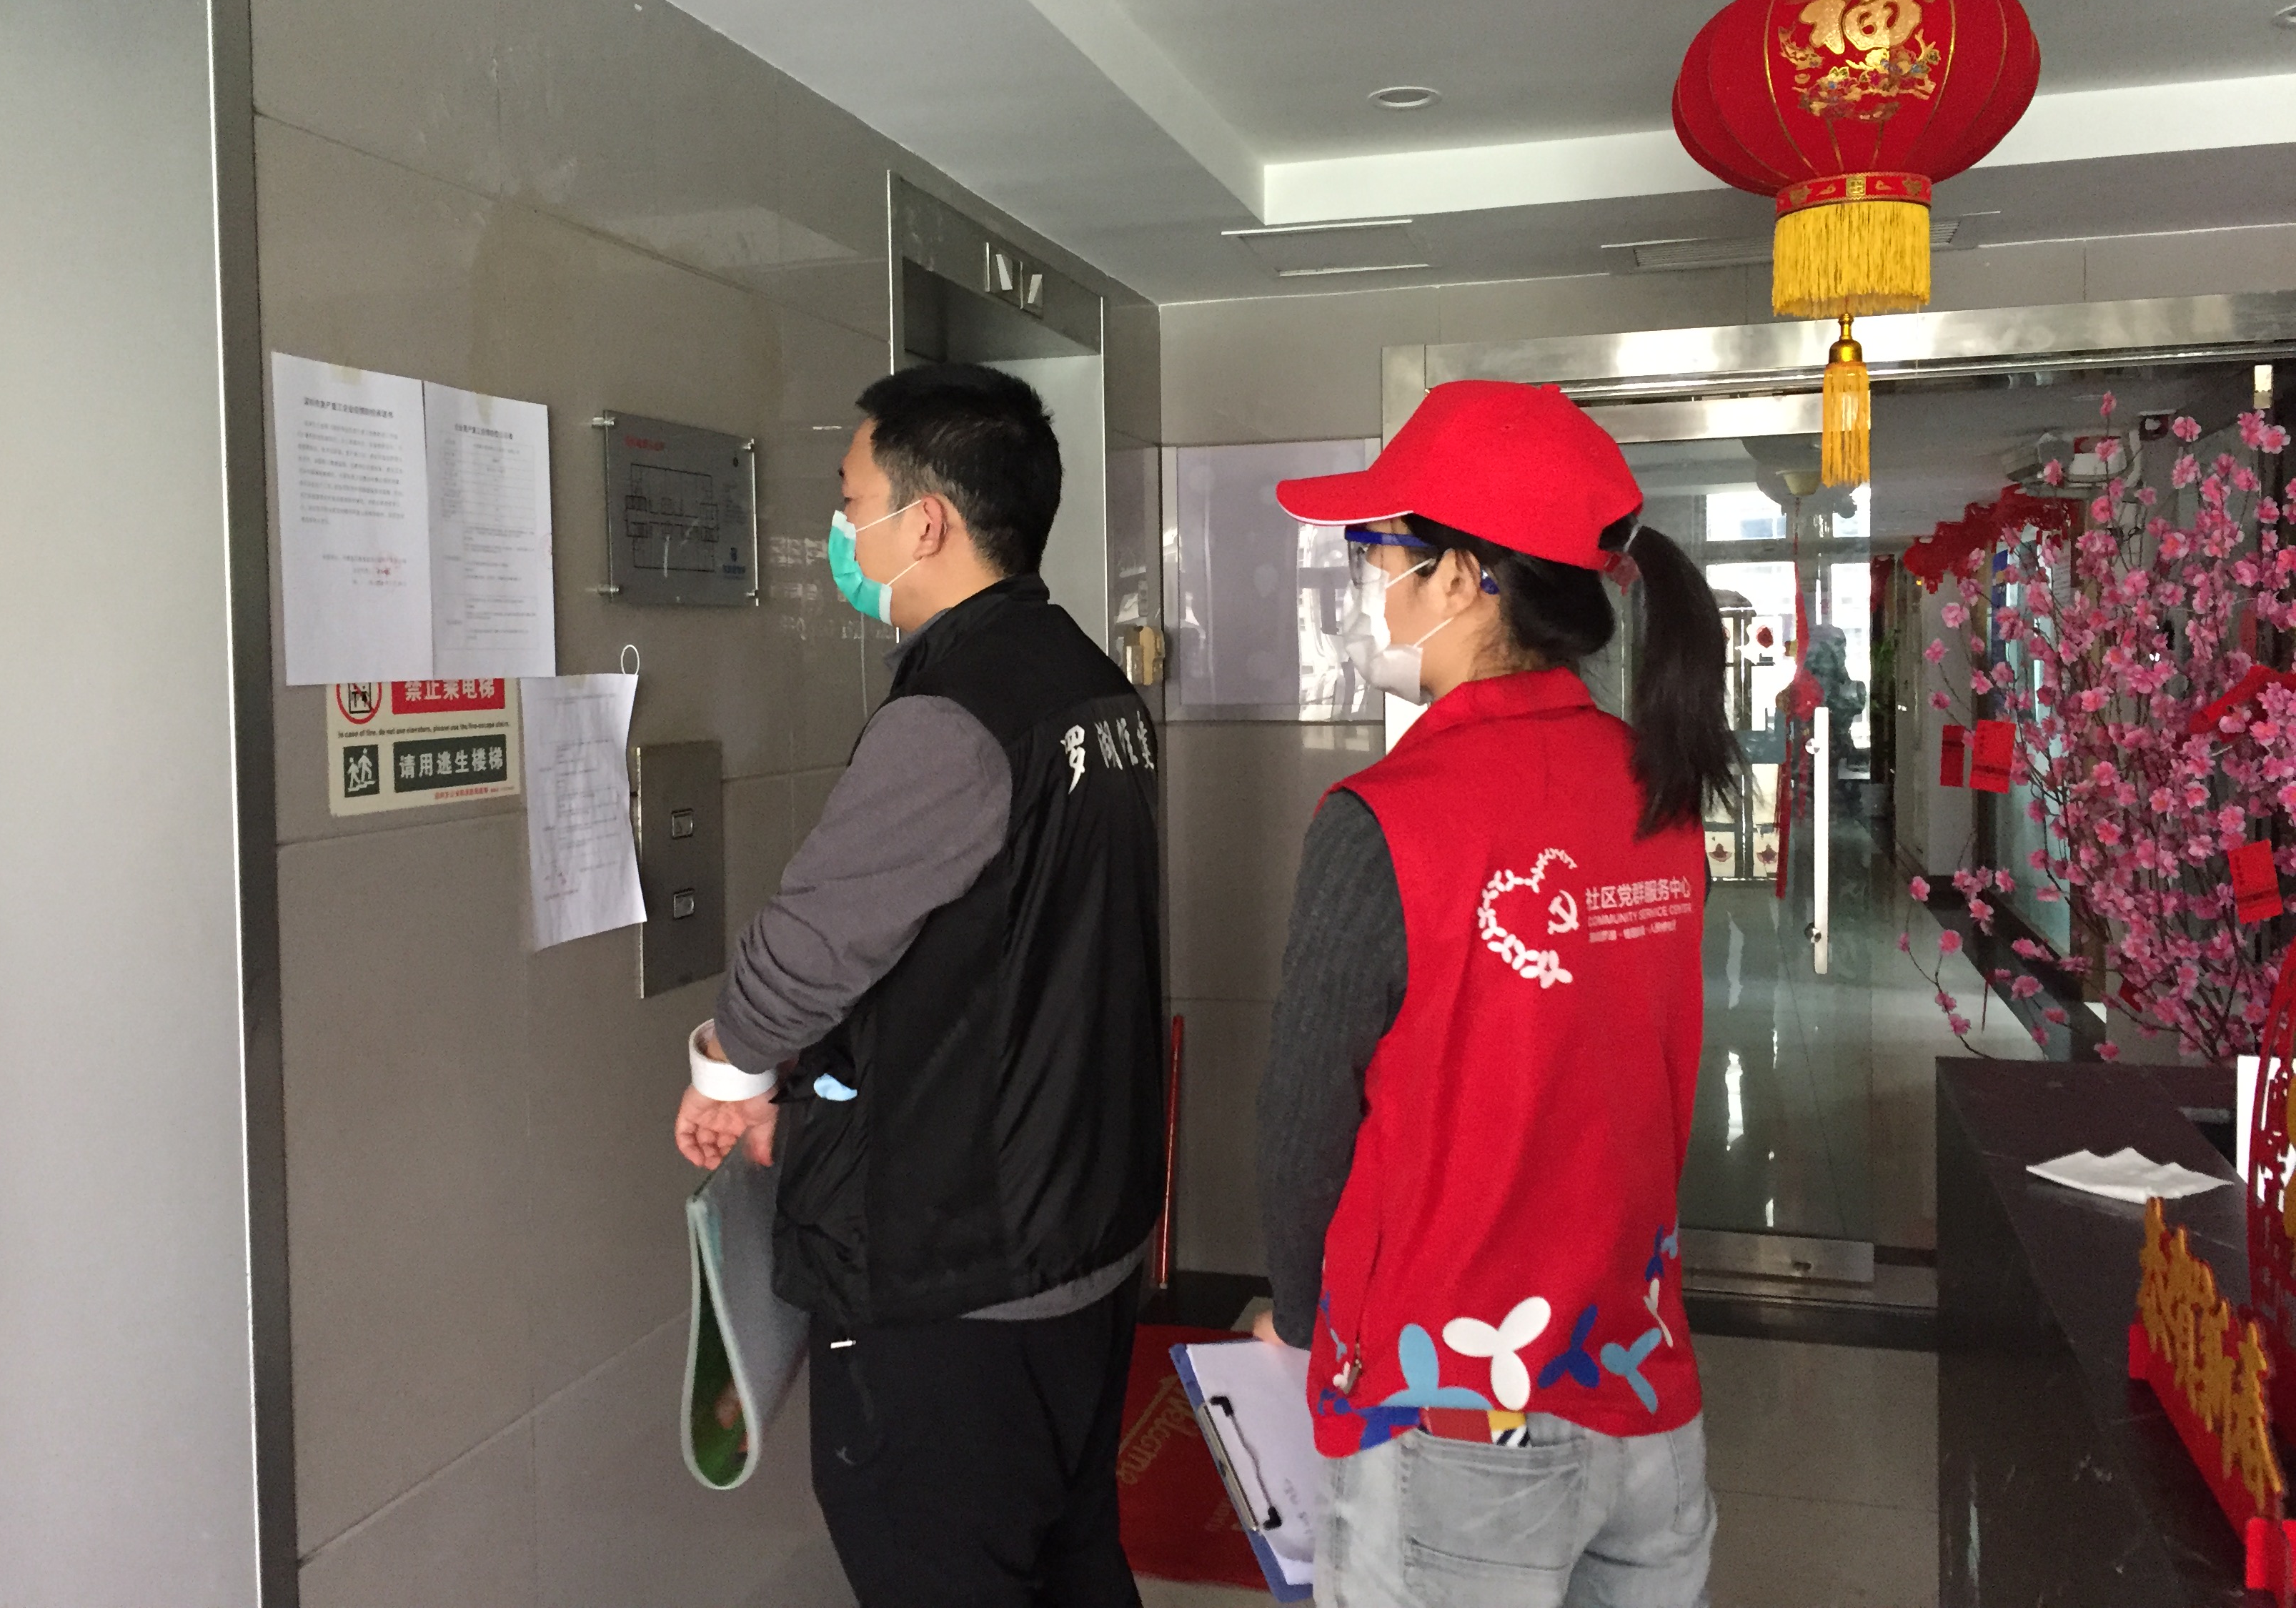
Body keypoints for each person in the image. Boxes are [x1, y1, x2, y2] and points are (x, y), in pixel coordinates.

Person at [672, 362, 1164, 1608]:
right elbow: (1007, 971)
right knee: (1071, 1560)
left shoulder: (955, 715)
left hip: (960, 1279)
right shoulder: (1091, 685)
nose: (840, 532)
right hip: (1080, 1239)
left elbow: (812, 941)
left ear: (927, 521)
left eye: (851, 502)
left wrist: (727, 1068)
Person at [1252, 380, 1741, 1608]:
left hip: (1454, 1415)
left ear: (1465, 578)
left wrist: (1306, 1322)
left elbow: (1305, 1118)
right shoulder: (1658, 795)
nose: (1372, 589)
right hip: (1640, 1385)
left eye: (1380, 554)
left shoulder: (1386, 820)